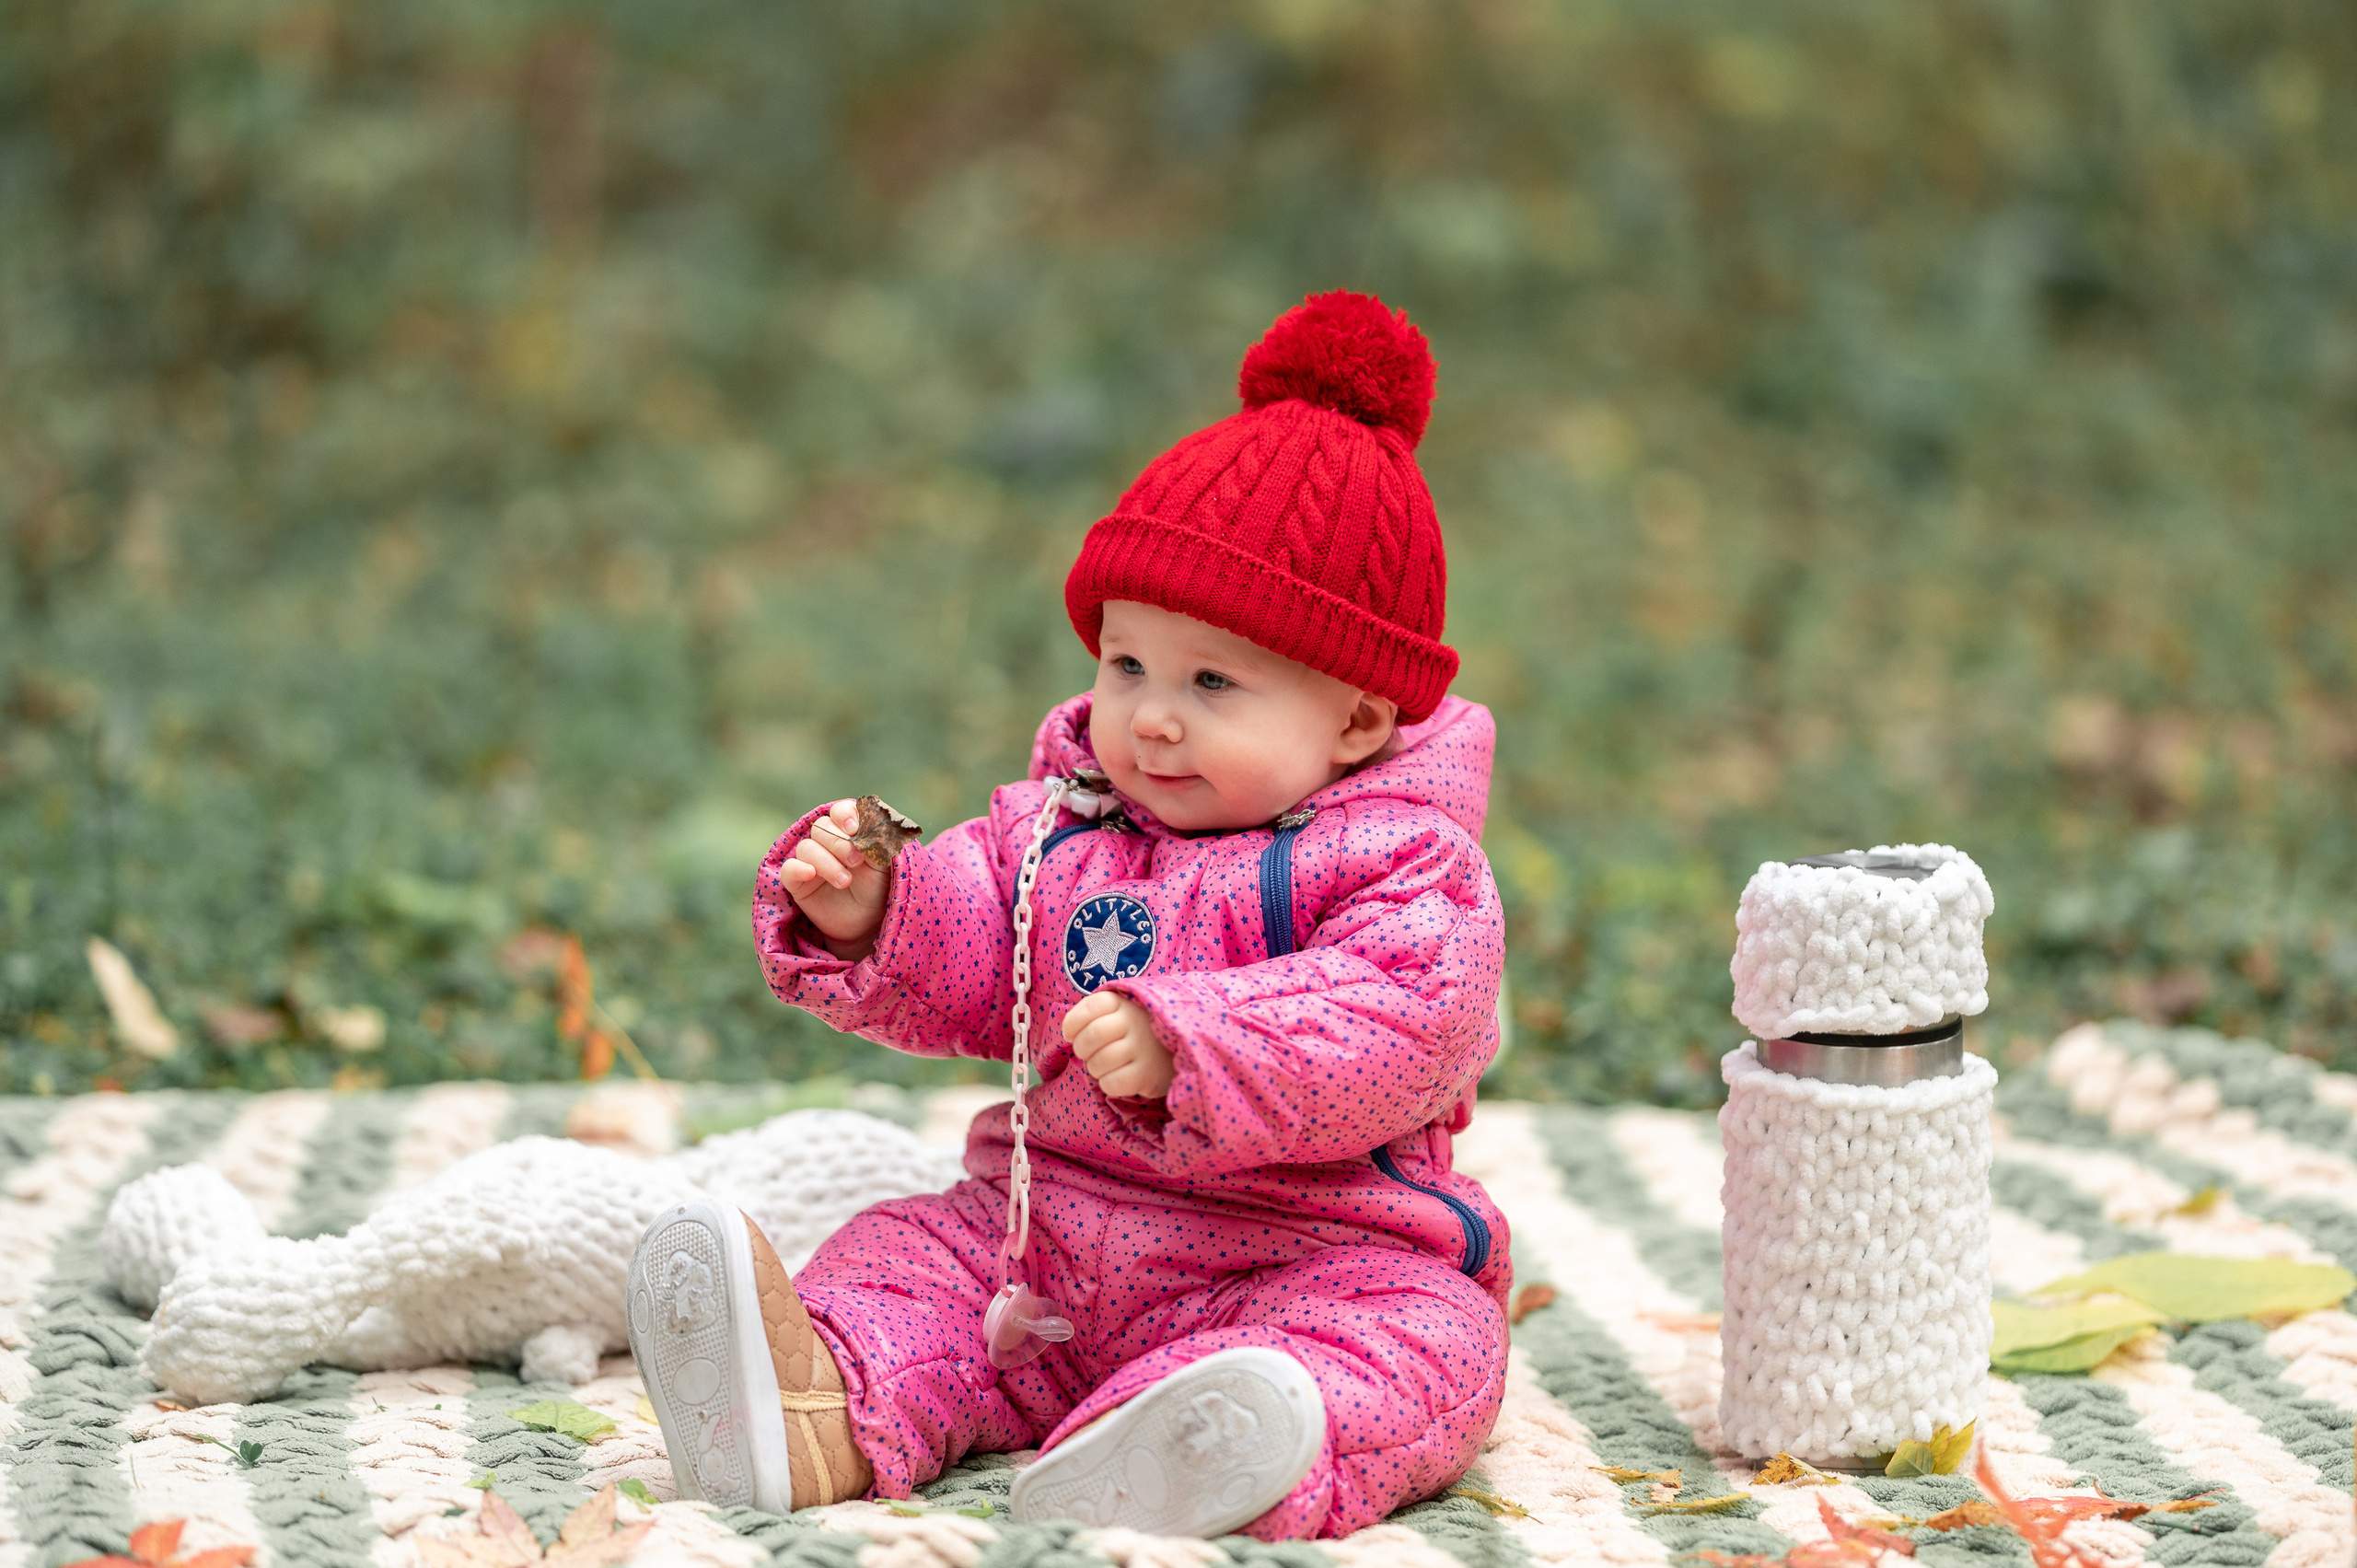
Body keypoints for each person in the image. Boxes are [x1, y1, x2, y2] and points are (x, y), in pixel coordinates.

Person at [627, 291, 1511, 1540]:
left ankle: (1200, 1443)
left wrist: (1196, 1043)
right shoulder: (1061, 830)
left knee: (1433, 1341)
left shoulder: (1407, 866)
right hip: (1046, 1251)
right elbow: (976, 938)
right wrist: (871, 912)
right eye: (1127, 663)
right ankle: (806, 1407)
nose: (1151, 716)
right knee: (906, 1259)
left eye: (1213, 682)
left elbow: (1403, 1015)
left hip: (1304, 1256)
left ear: (1358, 721)